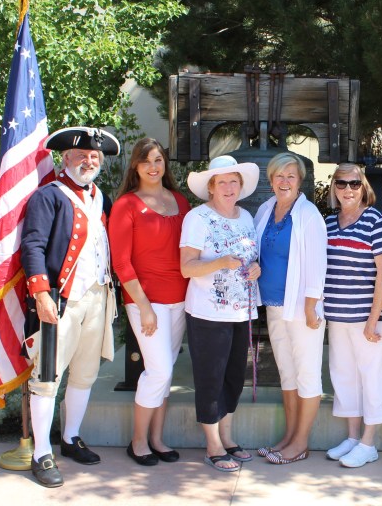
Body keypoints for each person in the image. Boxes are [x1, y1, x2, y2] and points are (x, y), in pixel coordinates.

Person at [21, 126, 120, 488]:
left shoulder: (101, 198)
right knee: (47, 376)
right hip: (60, 300)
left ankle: (70, 437)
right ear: (65, 158)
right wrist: (41, 294)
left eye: (94, 156)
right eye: (81, 156)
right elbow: (32, 245)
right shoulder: (49, 196)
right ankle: (41, 452)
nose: (88, 161)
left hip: (98, 296)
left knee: (84, 374)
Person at [108, 138, 190, 466]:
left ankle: (157, 439)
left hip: (179, 299)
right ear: (136, 166)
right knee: (159, 370)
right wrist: (143, 307)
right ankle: (138, 441)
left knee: (165, 374)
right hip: (145, 301)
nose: (153, 167)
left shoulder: (180, 201)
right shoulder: (126, 205)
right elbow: (121, 262)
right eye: (146, 161)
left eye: (158, 160)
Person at [179, 155, 262, 472]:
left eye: (234, 182)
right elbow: (187, 267)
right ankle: (213, 445)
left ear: (240, 186)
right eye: (222, 182)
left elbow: (252, 258)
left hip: (242, 312)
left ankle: (227, 438)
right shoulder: (197, 218)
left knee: (234, 379)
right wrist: (220, 263)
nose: (228, 187)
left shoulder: (247, 217)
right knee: (210, 378)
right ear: (211, 187)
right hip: (207, 314)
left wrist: (256, 268)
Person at [253, 152, 327, 465]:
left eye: (291, 176)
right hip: (274, 306)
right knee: (287, 373)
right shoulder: (265, 209)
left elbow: (317, 263)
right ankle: (288, 437)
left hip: (301, 308)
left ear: (300, 182)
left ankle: (300, 443)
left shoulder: (308, 214)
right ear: (271, 180)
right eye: (279, 176)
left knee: (307, 374)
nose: (285, 182)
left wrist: (311, 306)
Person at [323, 164, 382, 468]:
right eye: (341, 183)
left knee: (373, 378)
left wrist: (372, 320)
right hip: (337, 315)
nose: (348, 189)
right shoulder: (329, 223)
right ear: (334, 187)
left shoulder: (376, 222)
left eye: (354, 183)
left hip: (369, 318)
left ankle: (369, 443)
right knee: (345, 378)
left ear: (363, 187)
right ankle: (353, 438)